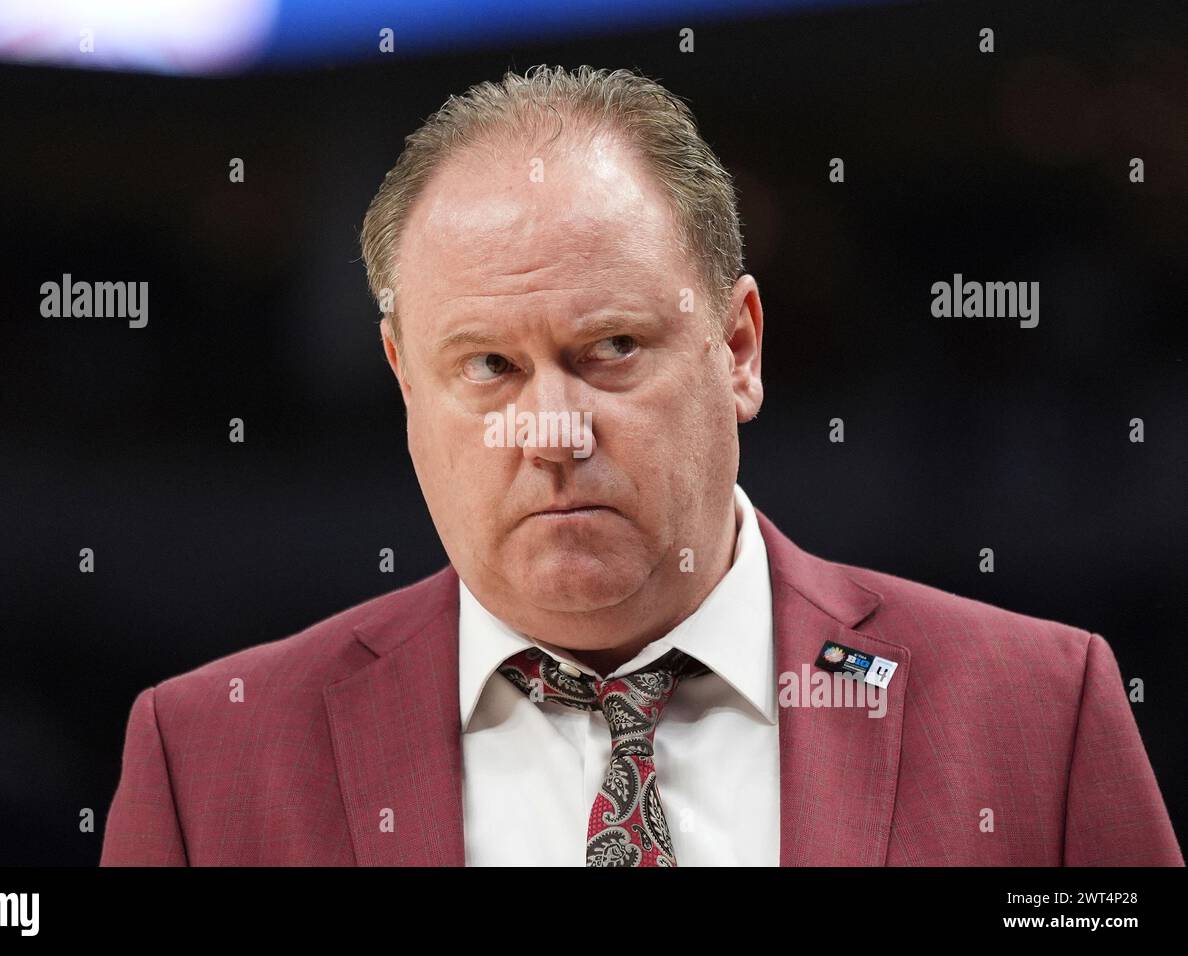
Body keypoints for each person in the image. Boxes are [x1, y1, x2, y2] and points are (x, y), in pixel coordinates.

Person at [100, 65, 1182, 866]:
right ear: (402, 380)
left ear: (738, 348)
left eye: (610, 349)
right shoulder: (206, 760)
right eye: (486, 366)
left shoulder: (1040, 713)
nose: (550, 430)